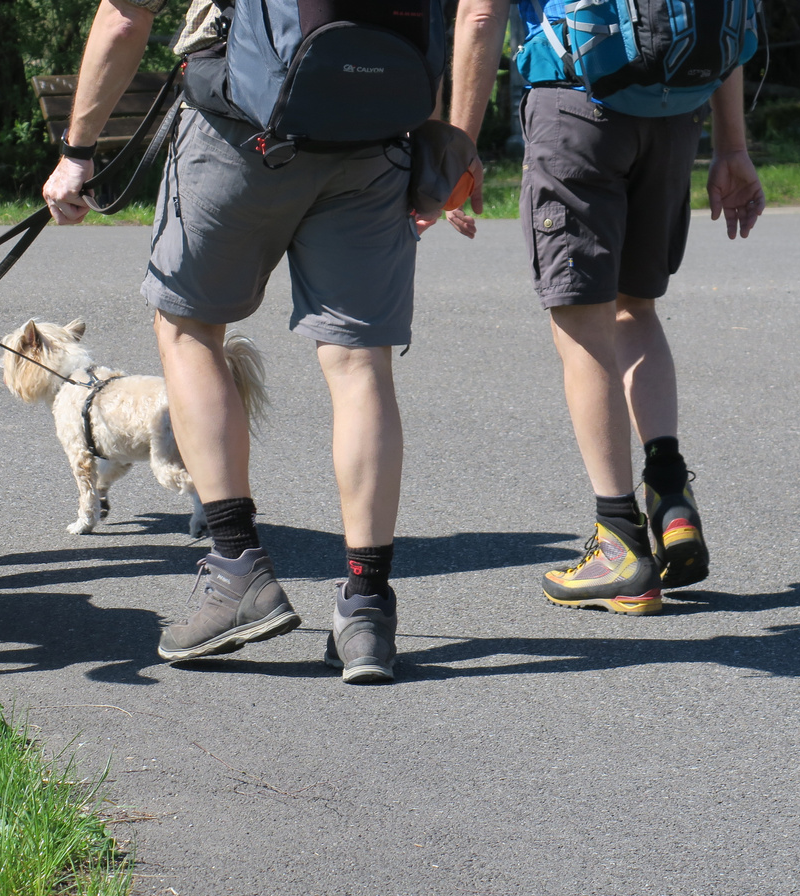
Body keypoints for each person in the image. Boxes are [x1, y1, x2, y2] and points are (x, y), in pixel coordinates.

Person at [42, 0, 481, 683]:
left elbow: (126, 16)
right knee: (360, 366)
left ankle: (236, 569)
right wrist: (449, 135)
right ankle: (366, 607)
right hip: (374, 141)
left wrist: (77, 152)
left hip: (241, 136)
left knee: (188, 330)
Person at [448, 0, 765, 615]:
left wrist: (457, 147)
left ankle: (619, 539)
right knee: (634, 309)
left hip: (577, 109)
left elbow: (481, 17)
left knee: (583, 325)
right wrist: (732, 145)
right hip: (675, 114)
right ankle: (669, 495)